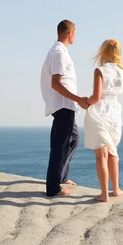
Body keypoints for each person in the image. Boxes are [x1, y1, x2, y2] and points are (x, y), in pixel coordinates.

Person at [40, 20, 89, 197]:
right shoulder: (59, 53)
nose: (75, 36)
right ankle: (53, 188)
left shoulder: (60, 52)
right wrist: (78, 99)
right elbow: (56, 83)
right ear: (69, 33)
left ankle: (61, 176)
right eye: (75, 32)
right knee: (59, 147)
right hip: (62, 105)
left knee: (74, 138)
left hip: (66, 105)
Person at [83, 39, 123, 202]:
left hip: (99, 113)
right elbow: (117, 95)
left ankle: (104, 194)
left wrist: (84, 102)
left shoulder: (100, 71)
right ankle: (116, 189)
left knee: (101, 155)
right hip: (114, 113)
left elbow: (96, 98)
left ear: (103, 51)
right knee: (113, 151)